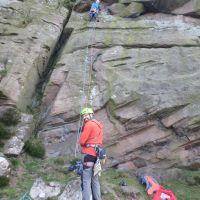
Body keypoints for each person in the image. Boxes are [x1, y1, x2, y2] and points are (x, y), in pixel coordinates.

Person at [79, 107, 103, 200]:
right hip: (97, 156)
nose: (84, 117)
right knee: (95, 181)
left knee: (86, 180)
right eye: (83, 116)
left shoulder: (88, 125)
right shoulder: (98, 125)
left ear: (91, 115)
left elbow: (82, 141)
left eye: (86, 115)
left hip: (88, 154)